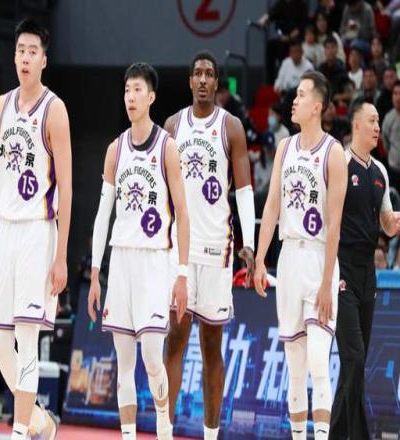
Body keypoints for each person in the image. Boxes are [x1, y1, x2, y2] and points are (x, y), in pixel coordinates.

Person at [0, 19, 72, 440]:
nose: (25, 58)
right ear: (14, 57)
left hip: (38, 232)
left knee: (27, 340)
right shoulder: (1, 106)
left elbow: (66, 189)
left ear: (44, 60)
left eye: (33, 52)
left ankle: (20, 431)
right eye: (20, 51)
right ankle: (41, 421)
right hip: (5, 230)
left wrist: (62, 256)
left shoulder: (54, 110)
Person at [87, 62, 189, 440]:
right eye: (127, 90)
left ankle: (163, 418)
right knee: (124, 363)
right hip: (121, 261)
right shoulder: (115, 150)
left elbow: (183, 215)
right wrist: (95, 271)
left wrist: (182, 274)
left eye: (137, 90)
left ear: (152, 97)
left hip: (154, 260)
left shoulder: (167, 148)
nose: (130, 97)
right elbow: (103, 214)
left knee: (151, 358)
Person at [163, 51, 255, 440]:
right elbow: (160, 188)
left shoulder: (230, 126)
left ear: (217, 82)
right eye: (197, 73)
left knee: (211, 346)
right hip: (179, 250)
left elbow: (245, 190)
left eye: (209, 74)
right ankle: (165, 431)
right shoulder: (172, 126)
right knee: (175, 340)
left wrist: (250, 244)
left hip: (218, 248)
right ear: (190, 81)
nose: (202, 79)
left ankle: (211, 435)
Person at [254, 71, 348, 440]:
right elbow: (272, 208)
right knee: (295, 367)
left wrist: (327, 283)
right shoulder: (285, 148)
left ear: (318, 106)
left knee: (318, 363)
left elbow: (335, 225)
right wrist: (260, 259)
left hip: (320, 258)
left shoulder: (333, 153)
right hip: (289, 258)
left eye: (302, 94)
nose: (294, 100)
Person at [330, 101, 400, 439]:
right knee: (355, 358)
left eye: (378, 121)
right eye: (372, 121)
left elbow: (385, 224)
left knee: (353, 365)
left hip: (368, 272)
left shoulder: (381, 172)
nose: (377, 127)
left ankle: (334, 435)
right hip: (341, 267)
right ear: (356, 125)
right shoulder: (339, 163)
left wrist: (393, 222)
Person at [382, 80, 400, 190]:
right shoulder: (388, 118)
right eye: (395, 93)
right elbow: (385, 142)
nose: (398, 97)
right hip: (394, 170)